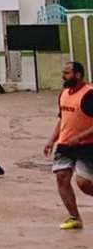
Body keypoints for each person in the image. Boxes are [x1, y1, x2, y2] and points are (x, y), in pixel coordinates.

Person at [44, 61, 93, 229]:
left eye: (67, 73)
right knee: (61, 178)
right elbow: (62, 119)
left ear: (78, 75)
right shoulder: (64, 94)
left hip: (87, 145)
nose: (63, 76)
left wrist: (80, 137)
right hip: (65, 144)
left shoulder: (89, 94)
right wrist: (51, 139)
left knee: (84, 183)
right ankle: (74, 218)